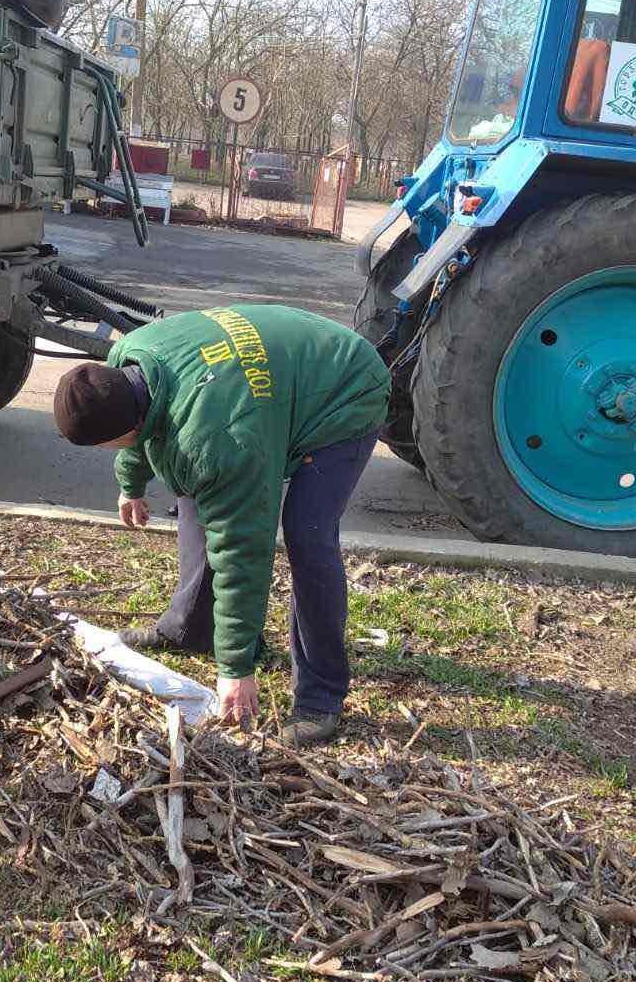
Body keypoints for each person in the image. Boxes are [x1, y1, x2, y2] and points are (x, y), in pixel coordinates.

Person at [52, 306, 390, 746]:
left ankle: (320, 697)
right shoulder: (130, 359)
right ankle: (190, 628)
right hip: (268, 380)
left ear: (120, 429)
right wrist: (130, 484)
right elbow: (142, 429)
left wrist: (235, 668)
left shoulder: (218, 440)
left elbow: (242, 552)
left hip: (345, 387)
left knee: (308, 534)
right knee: (192, 487)